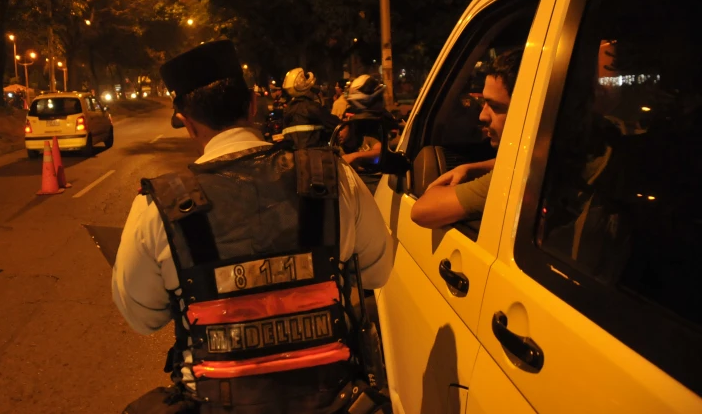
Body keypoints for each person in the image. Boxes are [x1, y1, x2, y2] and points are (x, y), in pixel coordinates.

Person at [113, 40, 394, 414]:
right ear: (253, 105)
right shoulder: (334, 178)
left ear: (185, 120)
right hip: (332, 401)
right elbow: (377, 271)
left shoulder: (157, 208)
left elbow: (143, 317)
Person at [411, 49, 522, 229]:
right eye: (484, 103)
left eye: (495, 106)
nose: (482, 116)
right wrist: (473, 168)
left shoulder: (515, 178)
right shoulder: (562, 161)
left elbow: (421, 211)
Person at [281, 67, 340, 148]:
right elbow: (335, 123)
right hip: (315, 156)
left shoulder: (287, 110)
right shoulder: (312, 107)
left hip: (295, 158)